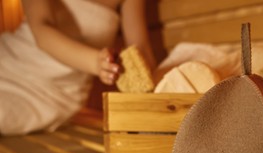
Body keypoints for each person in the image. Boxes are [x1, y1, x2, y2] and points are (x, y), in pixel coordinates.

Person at [0, 0, 156, 135]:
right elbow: (42, 31)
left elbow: (140, 48)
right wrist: (95, 62)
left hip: (59, 96)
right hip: (10, 66)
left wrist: (156, 94)